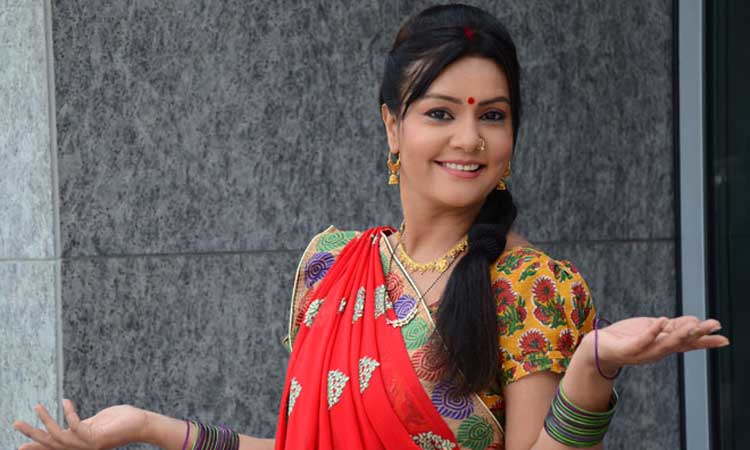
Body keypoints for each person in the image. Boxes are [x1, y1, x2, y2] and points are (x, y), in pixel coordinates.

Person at [13, 4, 729, 450]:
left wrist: (592, 368)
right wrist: (144, 425)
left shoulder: (533, 287)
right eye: (440, 113)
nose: (469, 139)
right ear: (392, 125)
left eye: (493, 115)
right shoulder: (331, 264)